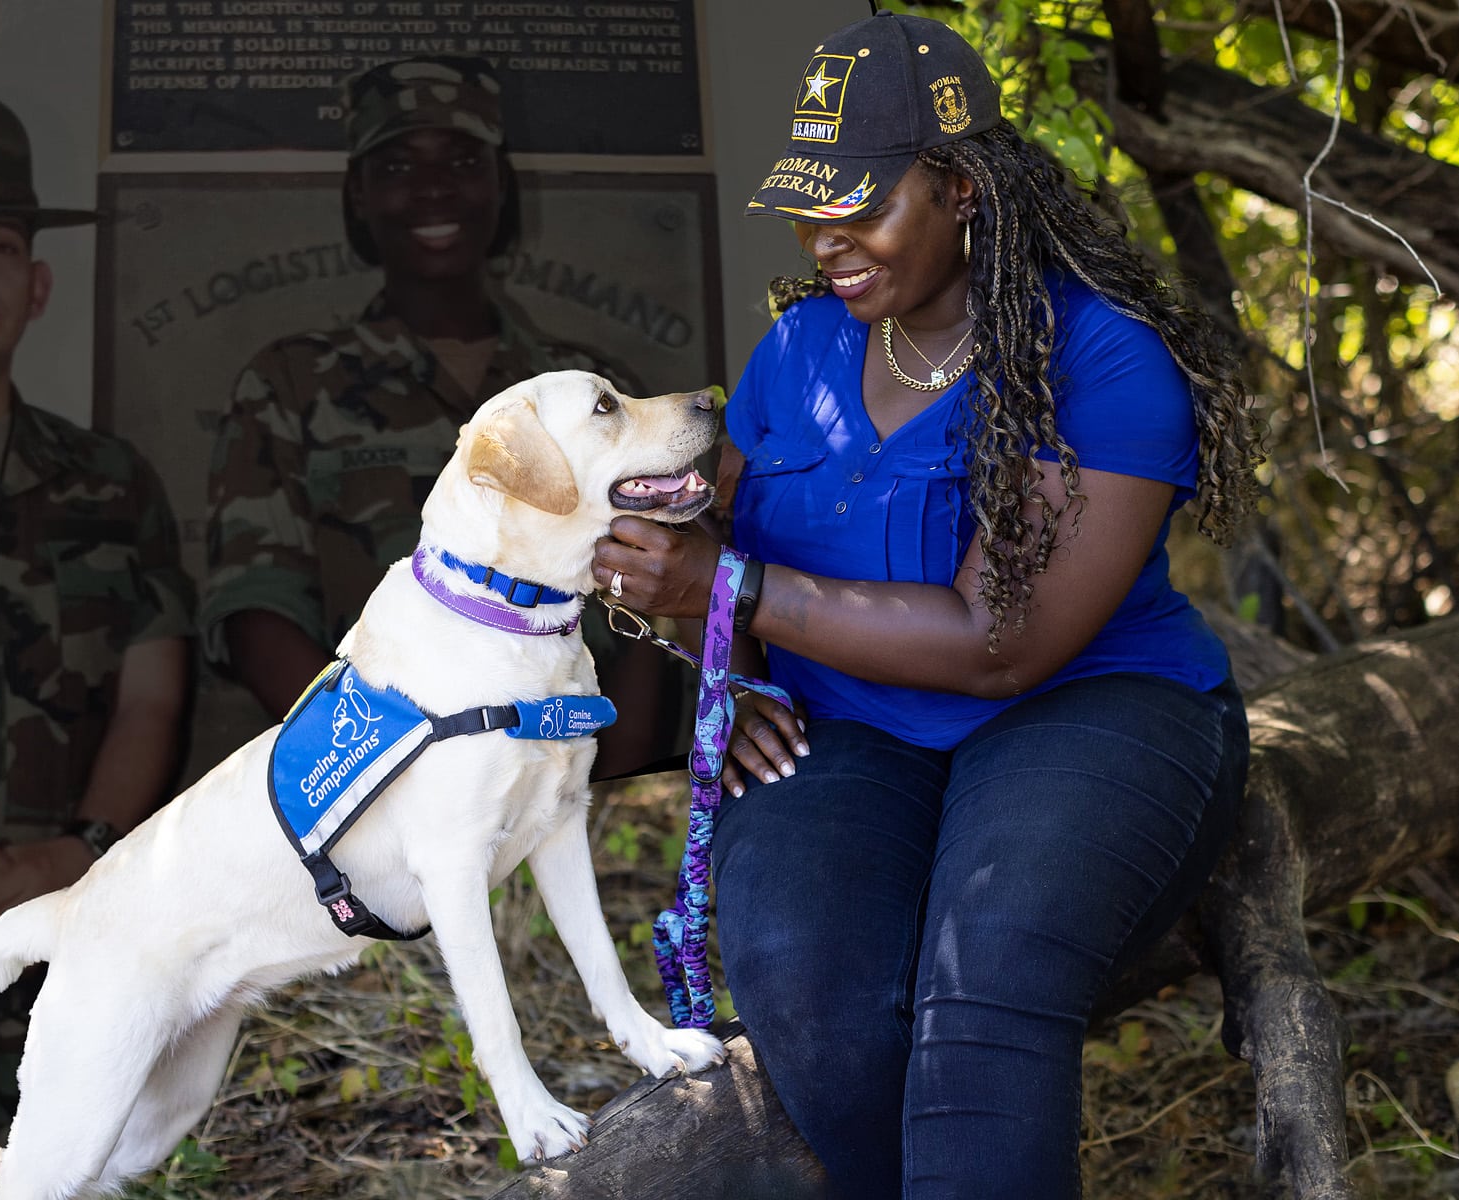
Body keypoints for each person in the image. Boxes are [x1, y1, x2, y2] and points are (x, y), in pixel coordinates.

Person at [591, 12, 1262, 1199]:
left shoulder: (1099, 360)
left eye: (861, 206)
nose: (824, 237)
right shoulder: (798, 349)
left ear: (958, 184)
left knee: (987, 976)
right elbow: (715, 539)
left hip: (1087, 710)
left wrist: (726, 589)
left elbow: (1001, 645)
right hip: (845, 727)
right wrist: (723, 662)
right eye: (809, 207)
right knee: (807, 982)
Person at [201, 54, 686, 777]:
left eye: (462, 160)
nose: (432, 188)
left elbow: (642, 603)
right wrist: (384, 767)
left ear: (501, 188)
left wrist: (608, 782)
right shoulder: (290, 385)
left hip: (570, 770)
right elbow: (256, 615)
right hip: (364, 789)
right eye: (395, 167)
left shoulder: (589, 389)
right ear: (357, 196)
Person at [0, 90, 195, 1198]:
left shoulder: (110, 481)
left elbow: (150, 700)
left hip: (71, 934)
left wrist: (77, 853)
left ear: (37, 285)